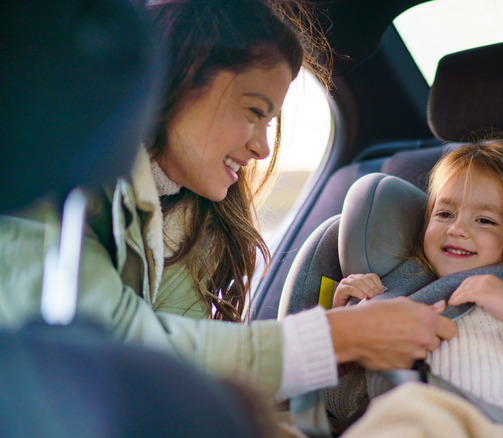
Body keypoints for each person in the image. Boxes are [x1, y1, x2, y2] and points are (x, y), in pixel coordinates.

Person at [0, 0, 454, 411]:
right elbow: (108, 348)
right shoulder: (43, 181)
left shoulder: (185, 223)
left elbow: (198, 372)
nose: (262, 148)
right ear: (183, 76)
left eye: (271, 122)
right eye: (255, 111)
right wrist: (338, 337)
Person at [326, 140, 503, 436]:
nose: (456, 229)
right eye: (445, 214)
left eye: (485, 220)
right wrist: (342, 335)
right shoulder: (394, 298)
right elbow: (344, 405)